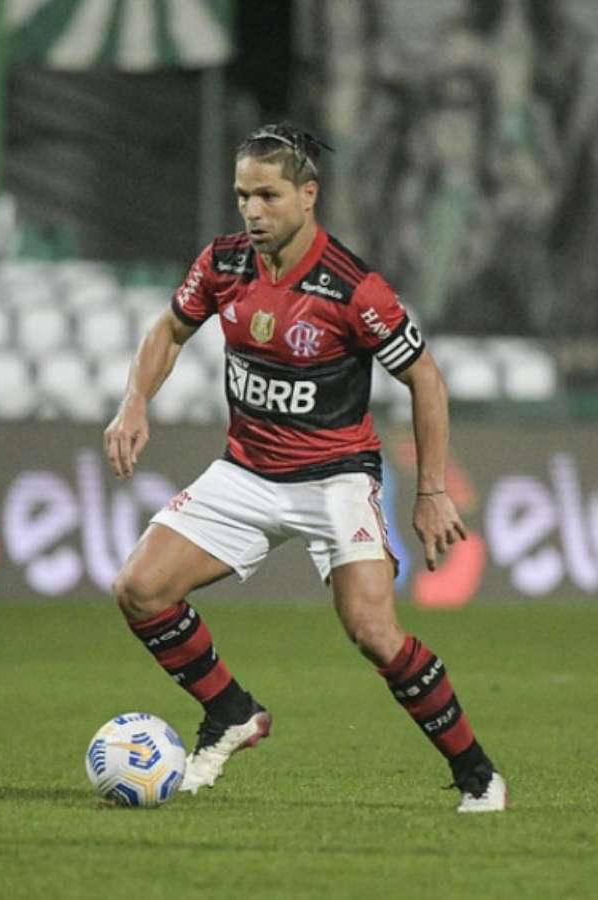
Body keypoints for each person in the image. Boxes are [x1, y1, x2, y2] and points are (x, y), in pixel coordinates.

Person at [103, 123, 506, 813]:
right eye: (242, 196)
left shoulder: (353, 289)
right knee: (139, 590)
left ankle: (478, 775)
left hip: (335, 480)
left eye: (268, 194)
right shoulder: (224, 264)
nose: (252, 211)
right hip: (245, 471)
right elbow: (169, 330)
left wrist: (432, 488)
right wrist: (135, 401)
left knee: (374, 633)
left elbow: (426, 379)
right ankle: (231, 712)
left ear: (308, 195)